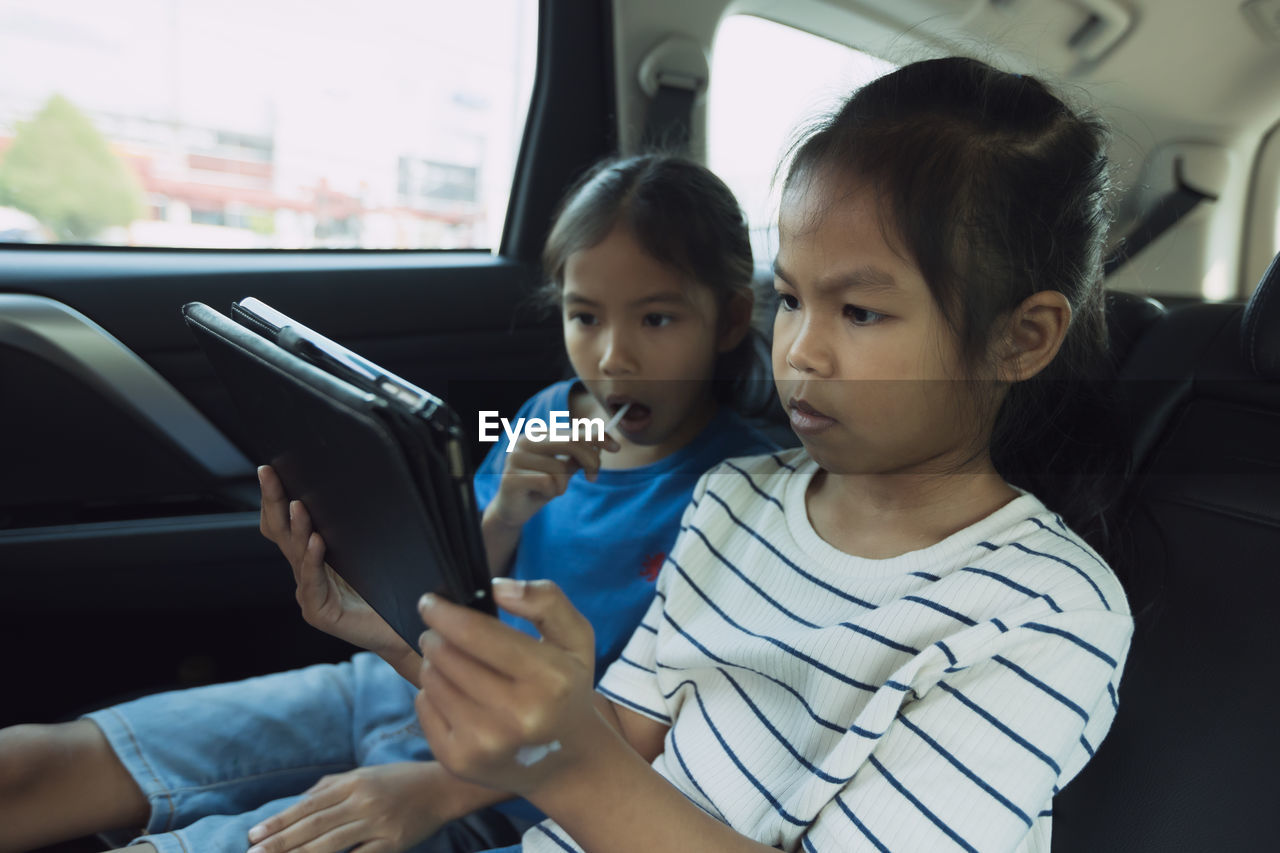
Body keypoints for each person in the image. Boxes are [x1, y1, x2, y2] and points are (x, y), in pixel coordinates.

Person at [402, 57, 1135, 853]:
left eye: (859, 311)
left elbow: (589, 763)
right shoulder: (732, 497)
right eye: (790, 298)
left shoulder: (1044, 614)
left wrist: (569, 763)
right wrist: (435, 765)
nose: (800, 352)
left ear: (1018, 339)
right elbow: (630, 727)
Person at [0, 154, 778, 853]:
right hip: (395, 680)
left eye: (657, 318)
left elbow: (646, 728)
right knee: (36, 763)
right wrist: (505, 509)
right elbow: (449, 582)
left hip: (515, 782)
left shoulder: (743, 490)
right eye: (584, 316)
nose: (613, 356)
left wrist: (438, 791)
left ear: (731, 319)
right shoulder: (547, 410)